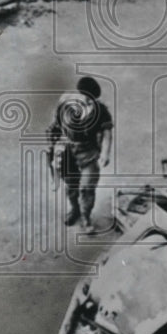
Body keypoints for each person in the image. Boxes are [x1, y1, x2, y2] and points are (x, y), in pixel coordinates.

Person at [47, 76, 113, 231]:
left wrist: (105, 153)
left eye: (90, 100)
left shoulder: (100, 110)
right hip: (67, 150)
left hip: (88, 152)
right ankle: (75, 210)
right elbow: (55, 125)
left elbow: (107, 133)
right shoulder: (65, 102)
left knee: (87, 187)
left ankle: (86, 217)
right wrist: (53, 148)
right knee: (71, 186)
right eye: (84, 98)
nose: (87, 102)